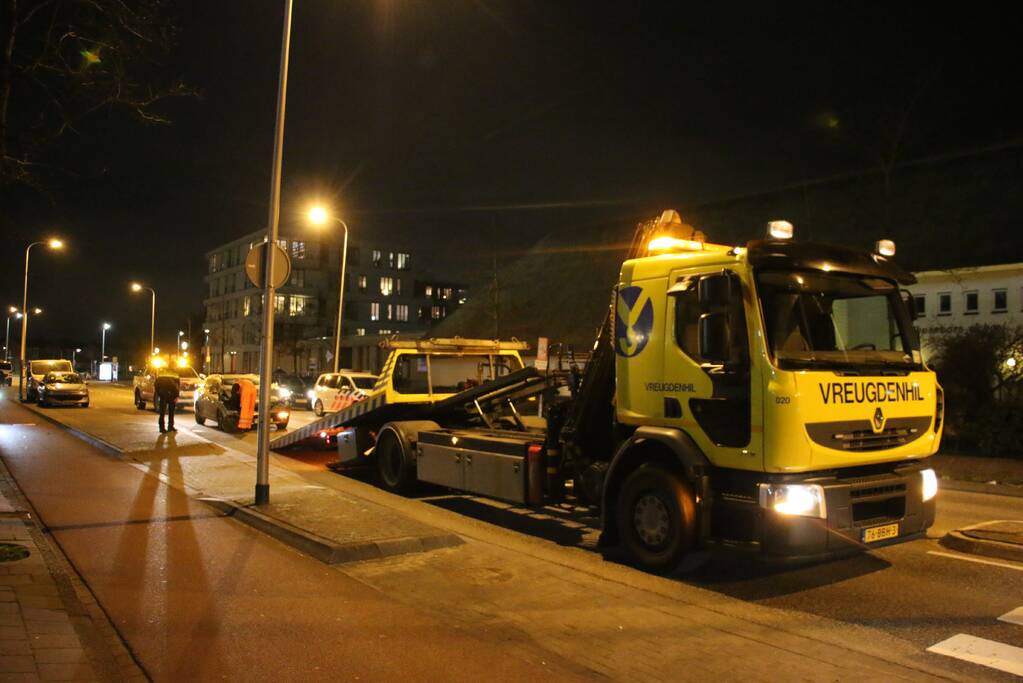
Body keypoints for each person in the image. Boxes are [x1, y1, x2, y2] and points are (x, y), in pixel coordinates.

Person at [154, 367, 180, 433]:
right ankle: (170, 427)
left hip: (164, 395)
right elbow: (177, 386)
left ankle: (162, 428)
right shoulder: (175, 374)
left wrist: (159, 393)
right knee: (170, 412)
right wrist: (177, 395)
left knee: (162, 413)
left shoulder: (161, 374)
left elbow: (156, 384)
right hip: (171, 395)